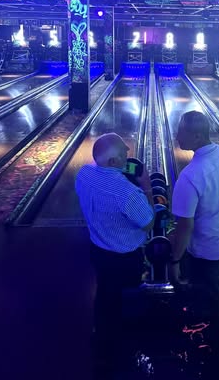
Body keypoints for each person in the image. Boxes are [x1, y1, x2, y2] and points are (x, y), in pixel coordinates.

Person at [169, 111, 219, 378]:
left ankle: (218, 359)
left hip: (209, 251)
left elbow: (185, 227)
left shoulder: (189, 177)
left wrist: (175, 261)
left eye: (181, 131)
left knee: (212, 304)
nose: (176, 136)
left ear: (196, 136)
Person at [75, 133, 155, 375]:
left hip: (98, 250)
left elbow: (100, 177)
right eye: (123, 152)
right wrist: (146, 186)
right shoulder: (127, 193)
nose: (128, 152)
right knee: (128, 300)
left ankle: (102, 341)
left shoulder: (83, 175)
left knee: (105, 293)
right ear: (113, 161)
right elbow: (148, 223)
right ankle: (125, 351)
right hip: (126, 259)